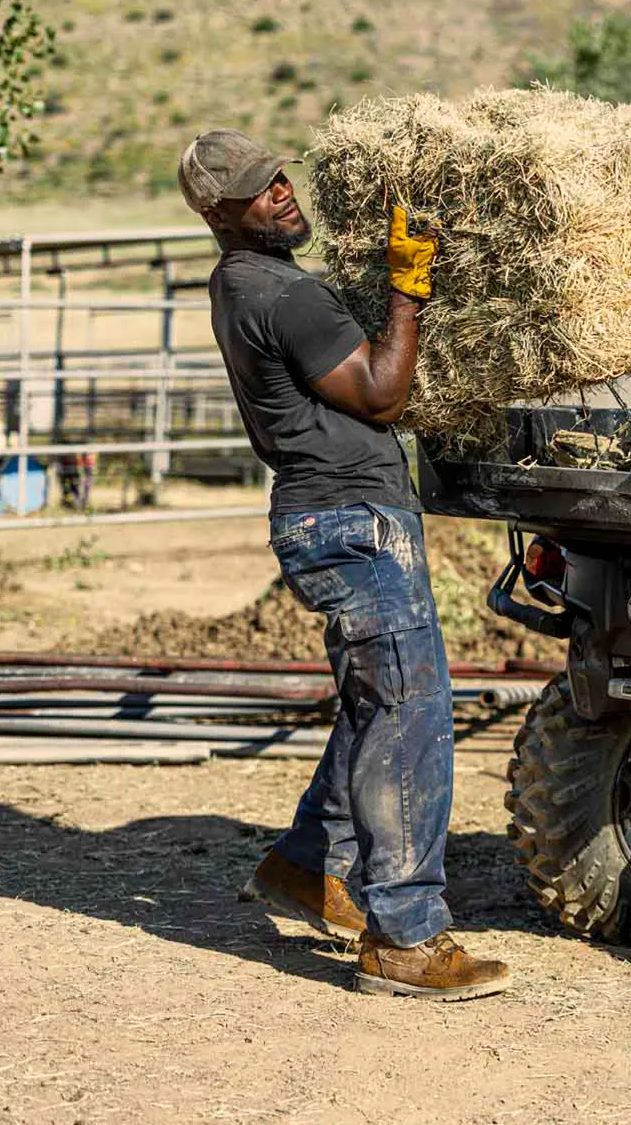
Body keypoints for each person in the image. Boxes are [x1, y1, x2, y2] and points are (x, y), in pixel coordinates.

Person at [179, 127, 508, 1001]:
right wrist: (407, 291)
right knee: (409, 712)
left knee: (376, 702)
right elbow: (381, 394)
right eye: (260, 190)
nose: (282, 191)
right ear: (220, 214)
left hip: (329, 515)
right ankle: (405, 934)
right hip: (353, 522)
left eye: (280, 176)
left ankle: (304, 863)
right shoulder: (284, 294)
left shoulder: (238, 282)